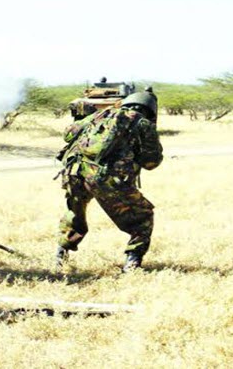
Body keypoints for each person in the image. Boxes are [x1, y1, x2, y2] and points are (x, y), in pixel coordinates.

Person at [55, 92, 163, 272]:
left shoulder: (100, 114)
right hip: (108, 180)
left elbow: (68, 134)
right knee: (143, 217)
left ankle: (60, 255)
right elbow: (151, 162)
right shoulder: (142, 123)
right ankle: (132, 262)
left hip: (76, 174)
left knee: (74, 212)